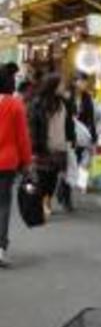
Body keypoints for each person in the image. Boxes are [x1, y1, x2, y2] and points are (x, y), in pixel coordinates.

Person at [0, 65, 33, 266]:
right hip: (6, 163)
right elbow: (23, 138)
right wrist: (27, 163)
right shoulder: (15, 105)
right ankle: (0, 249)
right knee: (3, 205)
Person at [29, 73, 75, 217]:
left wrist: (71, 139)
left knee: (53, 178)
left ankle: (47, 200)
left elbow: (69, 123)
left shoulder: (64, 103)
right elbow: (33, 125)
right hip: (43, 146)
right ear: (53, 85)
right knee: (43, 178)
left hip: (60, 146)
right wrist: (35, 144)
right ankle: (43, 202)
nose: (64, 87)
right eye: (61, 84)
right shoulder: (38, 102)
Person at [69, 72, 97, 162]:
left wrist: (94, 139)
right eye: (81, 81)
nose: (84, 84)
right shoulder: (68, 96)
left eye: (85, 82)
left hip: (82, 135)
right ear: (74, 82)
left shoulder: (87, 97)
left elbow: (91, 118)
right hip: (69, 136)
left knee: (79, 160)